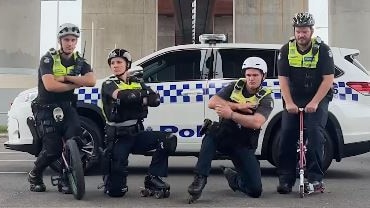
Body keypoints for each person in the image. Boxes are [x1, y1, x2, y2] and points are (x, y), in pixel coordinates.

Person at [187, 57, 274, 201]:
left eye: (255, 75)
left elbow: (256, 122)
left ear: (263, 76)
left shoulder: (265, 97)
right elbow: (212, 102)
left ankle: (233, 178)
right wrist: (237, 106)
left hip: (243, 144)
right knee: (211, 133)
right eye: (248, 75)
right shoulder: (235, 86)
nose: (251, 79)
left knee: (255, 190)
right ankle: (200, 179)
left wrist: (231, 114)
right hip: (225, 136)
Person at [27, 23, 96, 193]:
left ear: (76, 41)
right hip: (45, 108)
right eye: (66, 39)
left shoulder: (80, 61)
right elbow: (50, 86)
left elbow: (91, 81)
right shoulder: (48, 59)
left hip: (67, 107)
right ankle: (35, 174)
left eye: (73, 40)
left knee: (76, 140)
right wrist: (75, 84)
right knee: (53, 149)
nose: (70, 43)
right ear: (60, 41)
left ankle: (65, 179)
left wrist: (64, 78)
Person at [100, 48, 177, 198]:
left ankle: (153, 178)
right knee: (116, 192)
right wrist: (142, 97)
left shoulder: (136, 82)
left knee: (168, 139)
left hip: (136, 134)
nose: (115, 65)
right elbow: (121, 96)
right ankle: (110, 179)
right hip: (118, 138)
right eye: (113, 63)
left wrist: (133, 97)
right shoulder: (108, 84)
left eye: (119, 62)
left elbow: (155, 100)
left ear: (127, 64)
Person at [276, 12, 334, 194]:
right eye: (298, 31)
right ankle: (286, 180)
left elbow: (328, 80)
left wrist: (315, 102)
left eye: (305, 31)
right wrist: (289, 102)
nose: (301, 35)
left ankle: (315, 179)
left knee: (316, 135)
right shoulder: (286, 49)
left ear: (311, 31)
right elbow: (283, 80)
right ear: (294, 31)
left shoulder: (323, 50)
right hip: (293, 97)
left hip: (317, 97)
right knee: (286, 135)